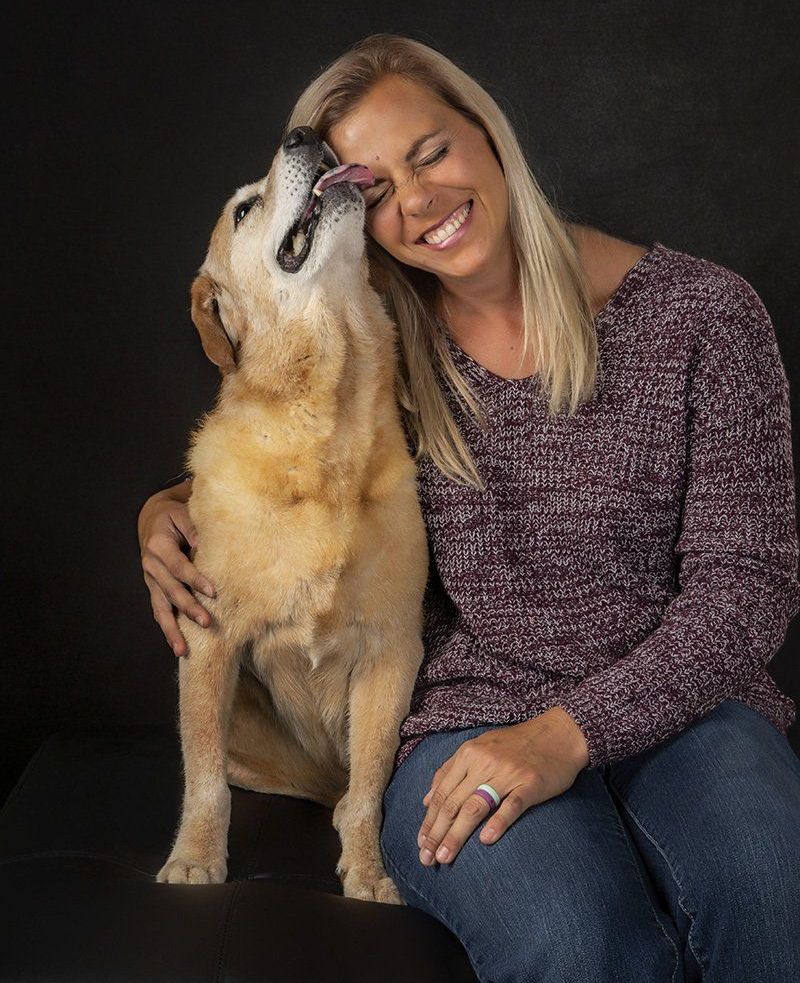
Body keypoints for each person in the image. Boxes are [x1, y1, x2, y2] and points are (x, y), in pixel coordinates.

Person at [138, 33, 800, 982]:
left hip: (692, 706)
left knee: (777, 894)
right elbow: (284, 454)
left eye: (432, 152)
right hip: (464, 713)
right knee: (578, 944)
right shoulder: (381, 346)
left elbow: (749, 588)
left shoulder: (704, 315)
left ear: (486, 132)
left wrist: (566, 734)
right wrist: (161, 508)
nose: (417, 203)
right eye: (374, 188)